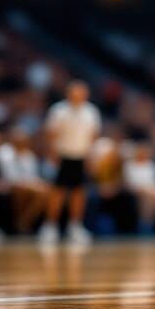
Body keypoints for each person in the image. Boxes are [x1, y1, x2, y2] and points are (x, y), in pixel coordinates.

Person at [38, 81, 101, 245]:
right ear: (68, 93)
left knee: (78, 193)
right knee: (57, 192)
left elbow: (94, 135)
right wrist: (52, 154)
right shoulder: (59, 110)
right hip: (62, 155)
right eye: (74, 93)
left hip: (81, 156)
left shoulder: (91, 112)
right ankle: (50, 226)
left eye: (81, 93)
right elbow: (51, 134)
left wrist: (91, 156)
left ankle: (75, 226)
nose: (77, 96)